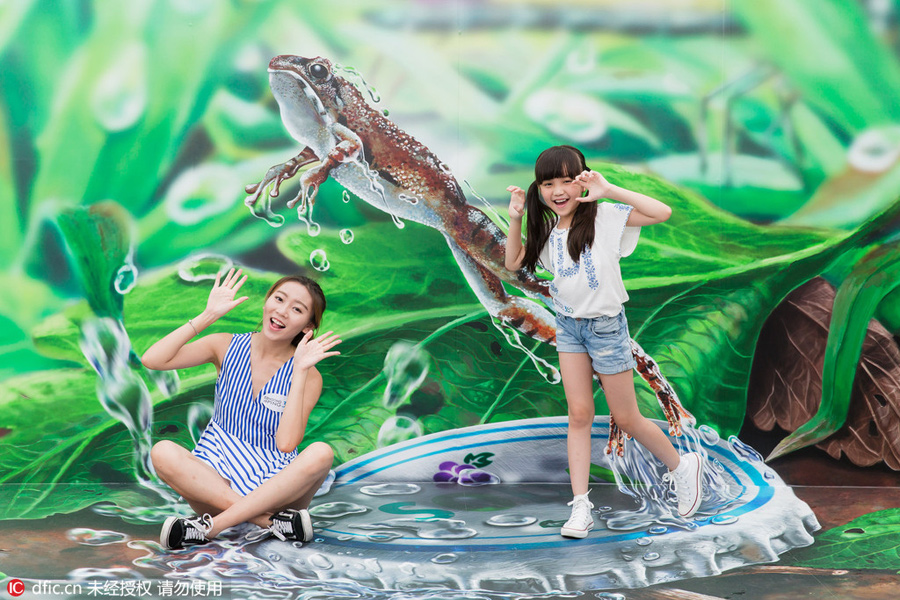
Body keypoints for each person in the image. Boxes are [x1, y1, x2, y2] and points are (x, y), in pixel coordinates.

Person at [504, 145, 703, 538]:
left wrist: (608, 189)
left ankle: (682, 467)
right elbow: (513, 263)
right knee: (578, 415)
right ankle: (581, 507)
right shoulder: (547, 231)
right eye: (548, 183)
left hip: (607, 328)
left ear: (582, 181)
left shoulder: (606, 216)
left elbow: (661, 212)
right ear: (539, 189)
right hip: (569, 327)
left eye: (567, 181)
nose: (558, 191)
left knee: (626, 417)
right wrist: (515, 219)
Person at [142, 269, 341, 550]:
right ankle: (269, 523)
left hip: (275, 490)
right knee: (162, 451)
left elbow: (286, 444)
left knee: (322, 452)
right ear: (267, 302)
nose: (282, 311)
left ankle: (210, 528)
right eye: (279, 299)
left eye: (297, 309)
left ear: (307, 327)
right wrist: (208, 315)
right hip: (216, 483)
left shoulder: (309, 376)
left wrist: (299, 371)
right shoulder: (224, 345)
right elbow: (153, 359)